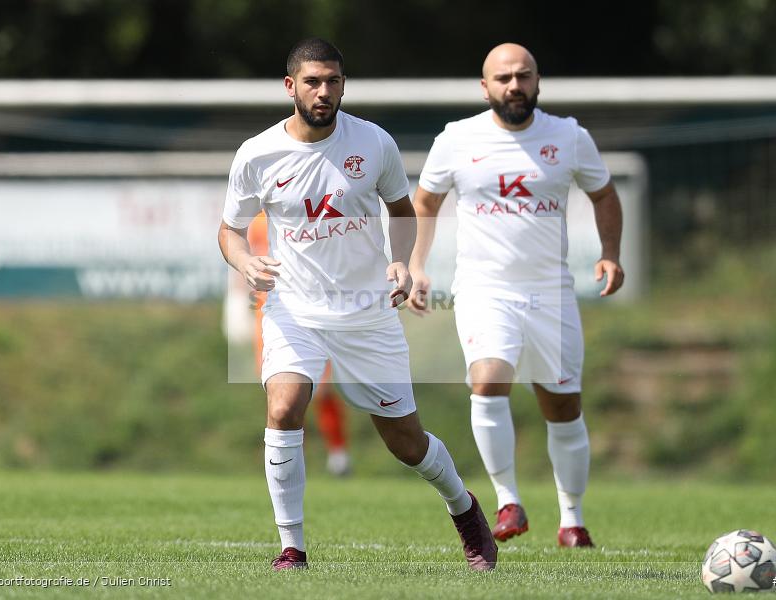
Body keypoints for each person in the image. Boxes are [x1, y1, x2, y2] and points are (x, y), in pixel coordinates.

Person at [218, 38, 497, 571]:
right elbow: (229, 231)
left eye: (334, 82)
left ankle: (464, 509)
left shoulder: (373, 143)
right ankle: (291, 548)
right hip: (293, 308)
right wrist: (244, 262)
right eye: (313, 82)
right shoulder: (257, 153)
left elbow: (401, 209)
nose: (324, 92)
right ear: (290, 87)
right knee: (284, 406)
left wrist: (402, 262)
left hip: (367, 312)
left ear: (343, 84)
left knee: (405, 442)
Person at [408, 43, 624, 549]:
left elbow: (604, 194)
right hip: (485, 289)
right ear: (485, 88)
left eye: (523, 76)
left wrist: (610, 252)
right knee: (488, 382)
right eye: (502, 78)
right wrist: (416, 265)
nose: (514, 85)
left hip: (552, 293)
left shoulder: (569, 137)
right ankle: (508, 501)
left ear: (537, 81)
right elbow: (424, 200)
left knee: (563, 406)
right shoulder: (458, 139)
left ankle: (572, 519)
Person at [223, 212, 352, 477]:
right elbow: (241, 257)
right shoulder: (255, 221)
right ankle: (289, 459)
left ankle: (338, 454)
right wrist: (235, 301)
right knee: (278, 388)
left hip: (311, 309)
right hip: (268, 314)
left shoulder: (301, 211)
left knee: (322, 387)